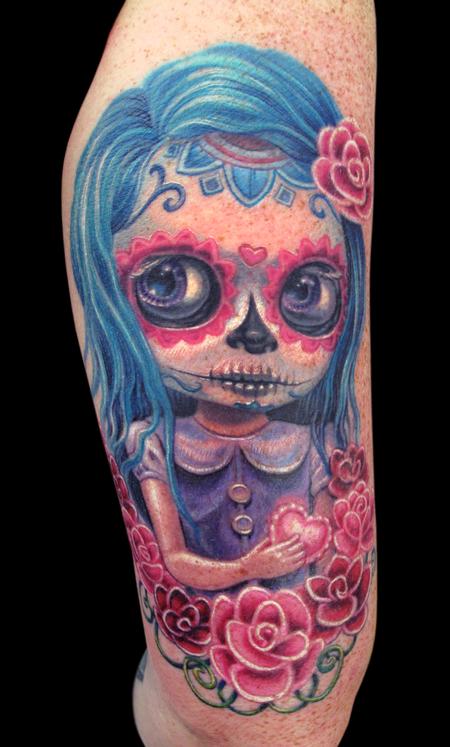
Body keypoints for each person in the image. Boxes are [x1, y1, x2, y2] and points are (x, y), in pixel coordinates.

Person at [62, 1, 377, 744]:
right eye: (176, 284)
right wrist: (254, 566)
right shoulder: (158, 445)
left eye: (305, 293)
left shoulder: (311, 445)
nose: (254, 335)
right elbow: (272, 728)